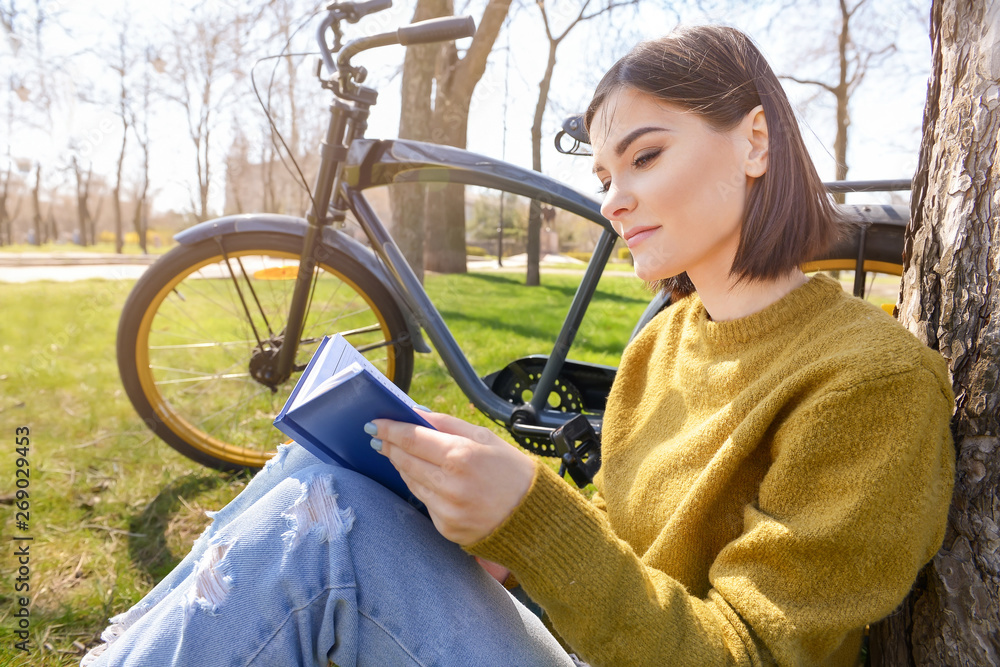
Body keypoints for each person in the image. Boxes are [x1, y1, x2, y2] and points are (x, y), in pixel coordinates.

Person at [83, 25, 955, 667]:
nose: (614, 201)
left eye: (645, 156)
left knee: (326, 532)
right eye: (606, 176)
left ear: (756, 140)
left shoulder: (869, 384)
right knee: (319, 475)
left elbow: (750, 654)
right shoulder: (666, 344)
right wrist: (496, 530)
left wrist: (534, 519)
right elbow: (621, 535)